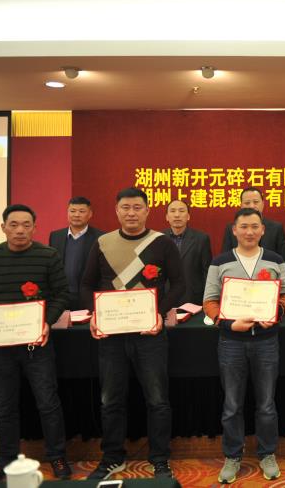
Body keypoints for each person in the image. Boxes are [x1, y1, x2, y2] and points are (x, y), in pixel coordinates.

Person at [81, 188, 185, 480]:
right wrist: (95, 313)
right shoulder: (103, 243)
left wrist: (158, 312)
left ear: (147, 211)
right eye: (125, 207)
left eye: (137, 207)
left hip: (149, 334)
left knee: (158, 400)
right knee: (110, 400)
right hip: (111, 336)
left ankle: (160, 459)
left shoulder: (162, 243)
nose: (131, 213)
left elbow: (179, 284)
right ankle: (112, 457)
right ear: (116, 211)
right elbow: (86, 285)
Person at [0, 204, 72, 481]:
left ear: (34, 228)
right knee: (4, 406)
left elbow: (62, 294)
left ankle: (57, 456)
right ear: (3, 227)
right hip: (0, 347)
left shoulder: (48, 256)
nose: (20, 230)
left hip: (36, 346)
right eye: (13, 224)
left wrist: (46, 321)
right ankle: (6, 460)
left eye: (26, 225)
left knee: (47, 402)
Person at [202, 208, 285, 484]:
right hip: (231, 342)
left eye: (255, 226)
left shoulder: (274, 259)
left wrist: (276, 313)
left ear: (263, 230)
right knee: (232, 405)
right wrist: (229, 324)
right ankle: (232, 456)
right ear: (234, 230)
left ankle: (267, 453)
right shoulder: (220, 262)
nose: (249, 232)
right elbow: (209, 300)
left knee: (266, 404)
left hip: (266, 341)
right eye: (243, 226)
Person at [49, 196, 103, 311]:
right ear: (67, 213)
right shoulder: (55, 236)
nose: (76, 215)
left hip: (88, 298)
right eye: (72, 211)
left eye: (82, 211)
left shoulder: (100, 237)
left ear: (90, 214)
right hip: (61, 297)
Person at [221, 187, 285, 270]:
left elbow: (284, 263)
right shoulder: (231, 228)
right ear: (241, 205)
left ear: (263, 204)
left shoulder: (276, 228)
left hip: (268, 276)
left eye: (256, 202)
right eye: (247, 203)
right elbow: (225, 260)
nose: (252, 206)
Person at [163, 199, 212, 305]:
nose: (177, 215)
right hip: (166, 298)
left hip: (193, 298)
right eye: (173, 211)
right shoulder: (159, 239)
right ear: (167, 217)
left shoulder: (201, 239)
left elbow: (207, 272)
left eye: (181, 211)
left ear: (188, 216)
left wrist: (207, 300)